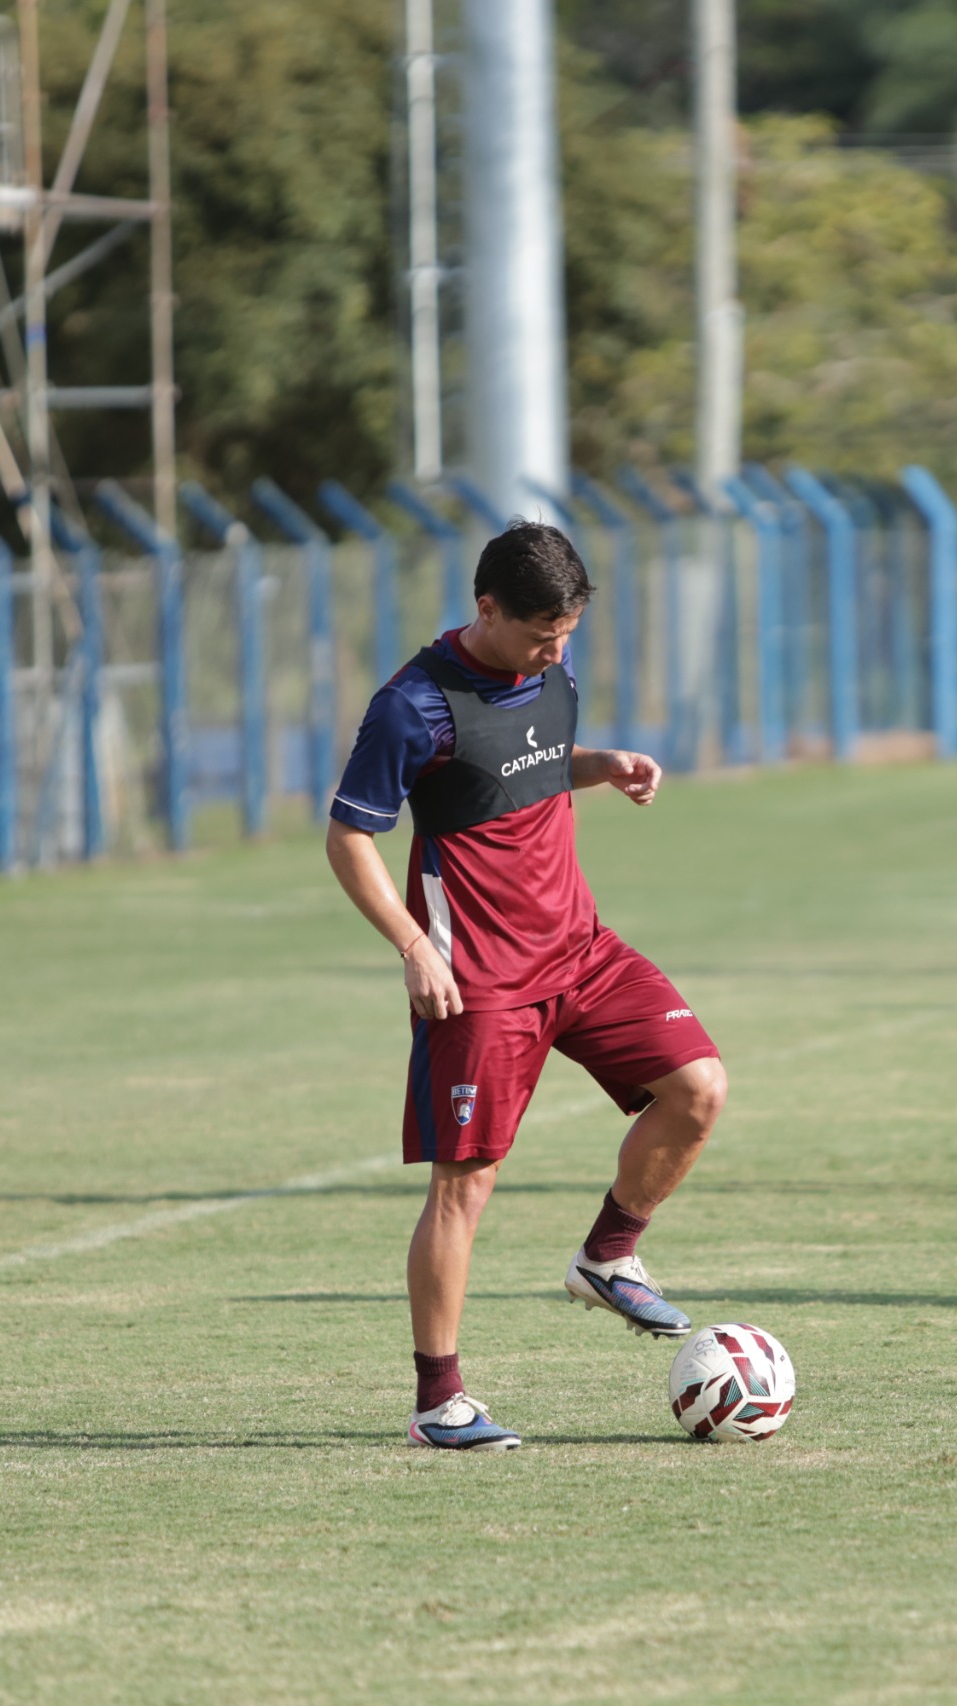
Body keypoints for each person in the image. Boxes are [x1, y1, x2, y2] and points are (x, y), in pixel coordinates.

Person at [325, 522, 731, 1450]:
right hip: (481, 981)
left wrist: (600, 766)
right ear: (487, 608)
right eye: (542, 632)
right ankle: (440, 1401)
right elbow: (350, 837)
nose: (556, 649)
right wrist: (413, 948)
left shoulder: (556, 675)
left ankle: (608, 1255)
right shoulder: (413, 706)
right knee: (465, 1186)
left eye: (569, 632)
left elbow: (528, 772)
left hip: (581, 950)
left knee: (699, 1088)